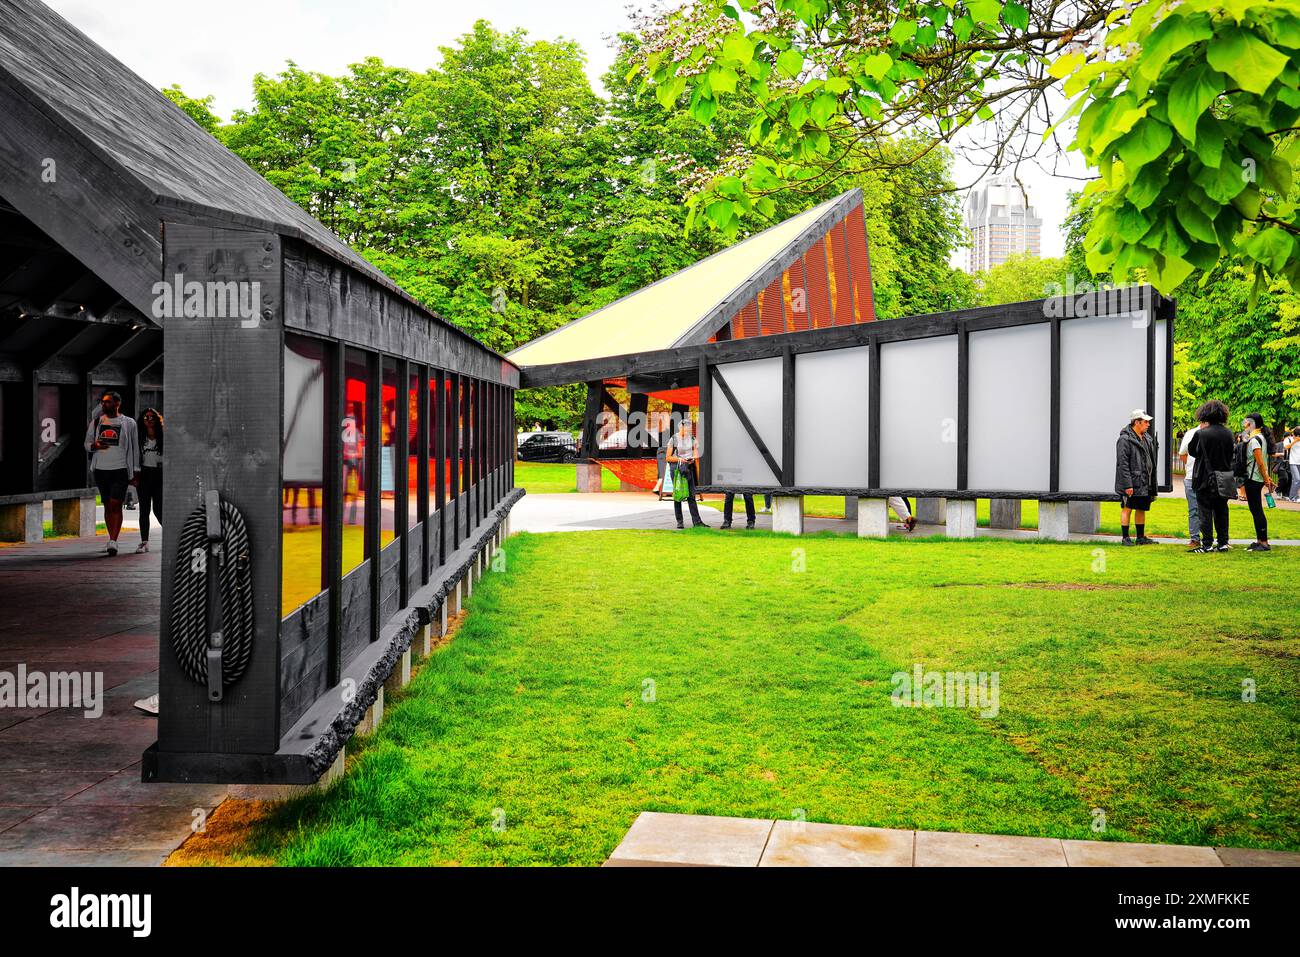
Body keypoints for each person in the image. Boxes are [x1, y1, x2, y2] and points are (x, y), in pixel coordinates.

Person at [84, 391, 140, 557]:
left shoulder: (129, 423)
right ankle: (111, 539)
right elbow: (86, 443)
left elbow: (135, 448)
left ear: (117, 403)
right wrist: (94, 445)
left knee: (116, 504)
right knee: (108, 504)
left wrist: (136, 471)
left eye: (107, 402)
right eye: (102, 402)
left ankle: (114, 540)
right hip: (101, 469)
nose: (104, 404)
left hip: (120, 469)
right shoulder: (96, 422)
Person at [1186, 400, 1234, 553]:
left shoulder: (1201, 433)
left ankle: (1207, 543)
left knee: (1204, 511)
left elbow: (1192, 451)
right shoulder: (1228, 433)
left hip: (1204, 478)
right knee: (1222, 511)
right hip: (1223, 478)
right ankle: (1223, 542)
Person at [1115, 408, 1159, 545]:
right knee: (1127, 508)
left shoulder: (1147, 438)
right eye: (1146, 422)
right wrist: (1127, 484)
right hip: (1132, 482)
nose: (1148, 424)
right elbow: (1122, 464)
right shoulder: (1124, 439)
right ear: (1137, 422)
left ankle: (1140, 537)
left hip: (1144, 481)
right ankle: (1125, 538)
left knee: (1141, 508)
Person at [1238, 412, 1274, 552]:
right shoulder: (1260, 438)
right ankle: (1260, 540)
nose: (1244, 425)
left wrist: (1266, 480)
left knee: (1257, 510)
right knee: (1256, 510)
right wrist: (1267, 478)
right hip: (1256, 479)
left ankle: (1263, 542)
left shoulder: (1255, 440)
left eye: (1245, 422)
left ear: (1251, 423)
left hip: (1254, 479)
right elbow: (1263, 462)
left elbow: (1260, 462)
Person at [665, 416, 707, 529]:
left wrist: (693, 459)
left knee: (691, 495)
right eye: (685, 428)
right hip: (677, 469)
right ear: (680, 428)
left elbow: (696, 454)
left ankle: (697, 522)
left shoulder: (692, 439)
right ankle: (680, 521)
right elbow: (668, 457)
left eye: (688, 428)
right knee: (678, 495)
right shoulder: (673, 439)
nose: (687, 431)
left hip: (689, 468)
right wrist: (680, 459)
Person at [135, 408, 163, 553]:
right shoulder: (140, 436)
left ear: (157, 420)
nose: (149, 420)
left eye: (152, 417)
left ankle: (171, 535)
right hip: (145, 474)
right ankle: (144, 542)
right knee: (144, 510)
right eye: (146, 417)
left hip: (160, 474)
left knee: (159, 509)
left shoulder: (163, 436)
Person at [1178, 424, 1204, 547]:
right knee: (1194, 509)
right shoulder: (1191, 433)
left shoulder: (1214, 432)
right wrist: (1192, 468)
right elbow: (1182, 454)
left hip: (1205, 478)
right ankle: (1195, 538)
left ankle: (1209, 538)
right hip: (1191, 478)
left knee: (1210, 510)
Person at [1284, 427, 1300, 503]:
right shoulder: (1289, 439)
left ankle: (1294, 496)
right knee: (1297, 479)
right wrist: (1295, 441)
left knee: (1296, 480)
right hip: (1293, 462)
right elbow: (1286, 447)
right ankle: (1293, 497)